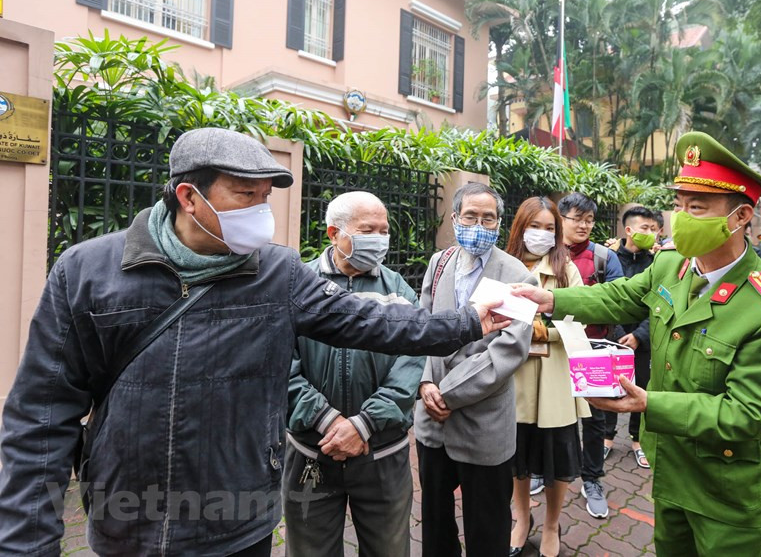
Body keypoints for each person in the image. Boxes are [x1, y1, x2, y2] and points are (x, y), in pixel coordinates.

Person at [0, 128, 507, 556]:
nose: (261, 212)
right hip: (130, 519)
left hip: (238, 522)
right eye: (246, 196)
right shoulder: (88, 272)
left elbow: (373, 323)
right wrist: (27, 544)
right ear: (189, 197)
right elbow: (41, 417)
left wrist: (467, 322)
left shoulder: (278, 274)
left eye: (266, 196)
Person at [514, 131, 761, 556]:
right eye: (678, 204)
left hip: (728, 486)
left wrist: (647, 404)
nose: (681, 217)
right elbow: (620, 297)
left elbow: (745, 414)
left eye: (696, 207)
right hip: (670, 467)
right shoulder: (673, 265)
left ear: (741, 215)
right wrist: (552, 299)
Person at [283, 192, 423, 556]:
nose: (379, 239)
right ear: (334, 232)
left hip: (381, 453)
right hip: (311, 452)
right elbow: (280, 364)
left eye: (384, 230)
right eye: (367, 230)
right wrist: (326, 421)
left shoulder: (398, 291)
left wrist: (364, 424)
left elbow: (411, 363)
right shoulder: (298, 286)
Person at [414, 182, 536, 557]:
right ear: (454, 219)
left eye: (488, 218)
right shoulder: (439, 263)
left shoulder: (518, 276)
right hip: (432, 422)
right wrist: (423, 384)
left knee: (487, 527)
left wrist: (446, 393)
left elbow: (508, 350)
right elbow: (421, 329)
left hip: (483, 422)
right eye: (470, 216)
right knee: (435, 521)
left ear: (500, 223)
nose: (478, 225)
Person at [504, 197, 590, 557]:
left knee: (556, 460)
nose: (541, 234)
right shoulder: (503, 266)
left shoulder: (566, 268)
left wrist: (546, 332)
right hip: (513, 378)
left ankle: (552, 524)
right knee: (516, 460)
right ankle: (522, 519)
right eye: (533, 226)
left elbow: (580, 318)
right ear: (519, 227)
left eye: (548, 228)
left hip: (554, 381)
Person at [556, 192, 624, 519]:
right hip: (554, 347)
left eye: (589, 220)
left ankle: (592, 479)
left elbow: (618, 301)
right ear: (561, 219)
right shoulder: (546, 254)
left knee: (595, 419)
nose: (583, 225)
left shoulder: (603, 259)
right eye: (576, 218)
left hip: (593, 348)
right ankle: (544, 470)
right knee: (554, 415)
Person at [603, 206, 657, 469]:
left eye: (654, 229)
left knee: (642, 387)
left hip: (644, 340)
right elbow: (606, 298)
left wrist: (639, 335)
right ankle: (607, 437)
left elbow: (659, 303)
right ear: (629, 230)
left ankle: (637, 439)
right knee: (610, 387)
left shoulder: (657, 262)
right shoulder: (609, 257)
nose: (651, 233)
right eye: (645, 228)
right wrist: (619, 333)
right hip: (614, 337)